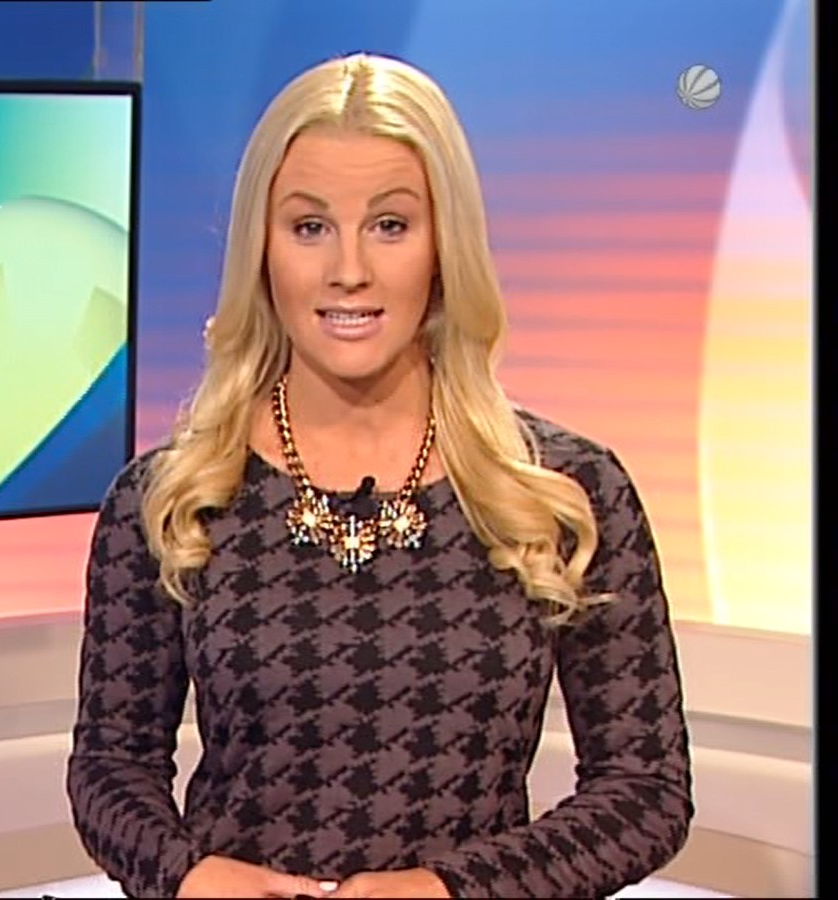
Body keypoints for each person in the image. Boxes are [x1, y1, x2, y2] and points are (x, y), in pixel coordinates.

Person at [65, 53, 693, 899]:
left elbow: (645, 791)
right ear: (261, 248)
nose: (349, 270)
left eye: (391, 225)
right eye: (310, 227)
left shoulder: (566, 495)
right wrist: (188, 876)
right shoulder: (171, 500)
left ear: (443, 245)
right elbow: (111, 766)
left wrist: (451, 890)